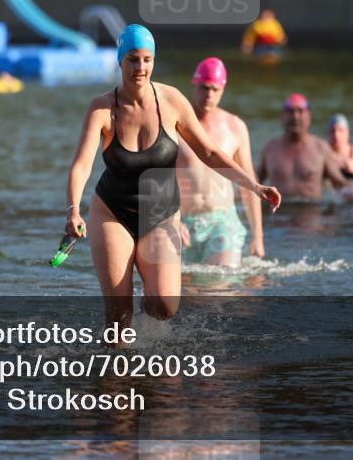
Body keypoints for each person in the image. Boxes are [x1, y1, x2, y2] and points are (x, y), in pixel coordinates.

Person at [63, 25, 281, 328]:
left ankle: (142, 315)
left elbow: (209, 152)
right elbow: (81, 165)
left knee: (165, 306)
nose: (140, 68)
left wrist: (254, 185)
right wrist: (73, 210)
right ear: (120, 60)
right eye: (133, 59)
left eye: (147, 60)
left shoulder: (172, 101)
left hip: (161, 214)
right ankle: (117, 353)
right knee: (118, 316)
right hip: (112, 212)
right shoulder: (101, 108)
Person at [176, 57, 264, 267]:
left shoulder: (235, 127)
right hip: (183, 222)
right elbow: (160, 178)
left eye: (215, 89)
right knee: (184, 286)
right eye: (204, 88)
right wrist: (172, 219)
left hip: (222, 222)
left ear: (222, 90)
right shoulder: (175, 125)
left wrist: (258, 236)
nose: (209, 95)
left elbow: (248, 182)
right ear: (194, 85)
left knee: (222, 279)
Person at [257, 93, 347, 201]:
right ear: (283, 116)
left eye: (300, 111)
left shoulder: (320, 148)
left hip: (311, 210)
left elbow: (341, 185)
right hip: (278, 210)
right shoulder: (271, 148)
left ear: (308, 116)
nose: (295, 116)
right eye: (290, 111)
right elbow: (255, 184)